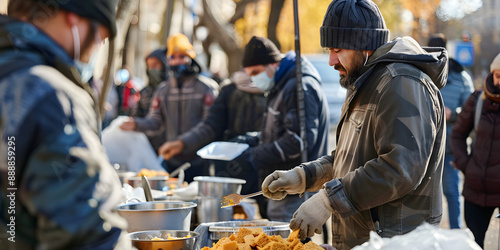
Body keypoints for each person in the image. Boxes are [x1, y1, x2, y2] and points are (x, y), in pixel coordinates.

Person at [261, 0, 448, 248]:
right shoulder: (366, 80)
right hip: (364, 241)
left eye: (337, 49)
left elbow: (400, 169)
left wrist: (328, 200)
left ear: (365, 45)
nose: (330, 60)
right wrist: (302, 176)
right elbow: (349, 158)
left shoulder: (402, 82)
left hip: (393, 242)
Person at [0, 0, 132, 249]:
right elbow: (88, 234)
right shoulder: (50, 96)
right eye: (99, 39)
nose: (95, 51)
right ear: (75, 18)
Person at [235, 36, 330, 222]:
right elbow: (279, 129)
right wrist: (252, 140)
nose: (254, 79)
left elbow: (298, 141)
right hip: (282, 185)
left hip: (295, 188)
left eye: (256, 72)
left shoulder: (298, 86)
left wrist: (255, 155)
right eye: (250, 74)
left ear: (273, 64)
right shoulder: (281, 85)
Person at [120, 33, 218, 182]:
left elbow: (209, 126)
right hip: (171, 160)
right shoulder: (162, 90)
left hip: (200, 161)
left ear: (191, 58)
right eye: (173, 57)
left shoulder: (206, 88)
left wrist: (182, 143)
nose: (177, 61)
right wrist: (136, 124)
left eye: (182, 56)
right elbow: (156, 120)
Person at [159, 70, 267, 195]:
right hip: (229, 168)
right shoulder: (228, 91)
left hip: (264, 165)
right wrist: (182, 143)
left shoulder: (275, 89)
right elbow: (211, 126)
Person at [451, 53, 500, 248]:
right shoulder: (477, 100)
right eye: (497, 75)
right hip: (476, 190)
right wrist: (466, 166)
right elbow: (457, 135)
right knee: (473, 244)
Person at [427, 33, 474, 229]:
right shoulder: (421, 74)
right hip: (425, 149)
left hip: (449, 148)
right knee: (425, 196)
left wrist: (452, 114)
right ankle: (427, 236)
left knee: (451, 192)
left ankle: (455, 234)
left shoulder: (462, 77)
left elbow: (472, 110)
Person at [131, 48, 169, 153]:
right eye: (149, 65)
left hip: (168, 147)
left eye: (156, 65)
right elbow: (137, 114)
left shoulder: (172, 91)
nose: (152, 69)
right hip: (146, 146)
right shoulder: (144, 92)